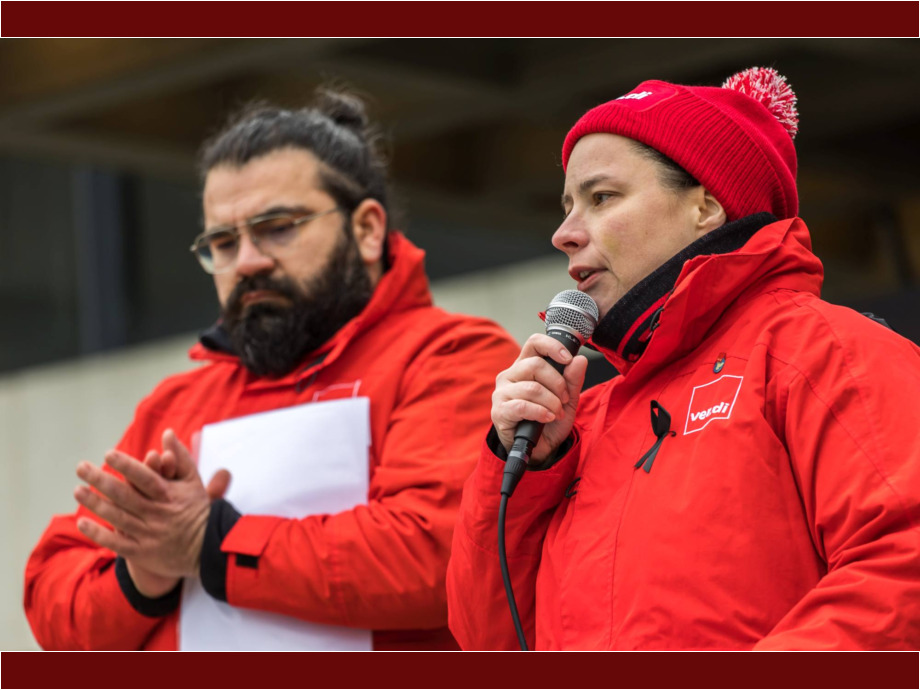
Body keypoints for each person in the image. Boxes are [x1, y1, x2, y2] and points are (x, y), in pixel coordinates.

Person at [24, 88, 519, 651]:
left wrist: (208, 543)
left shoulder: (450, 355)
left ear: (366, 229)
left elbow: (442, 557)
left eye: (277, 227)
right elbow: (52, 601)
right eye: (223, 242)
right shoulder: (177, 403)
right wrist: (143, 577)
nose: (248, 262)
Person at [446, 67, 920, 650]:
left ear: (707, 206)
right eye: (566, 206)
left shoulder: (827, 351)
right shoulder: (579, 421)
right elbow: (488, 640)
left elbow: (903, 568)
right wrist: (524, 467)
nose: (563, 233)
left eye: (601, 197)